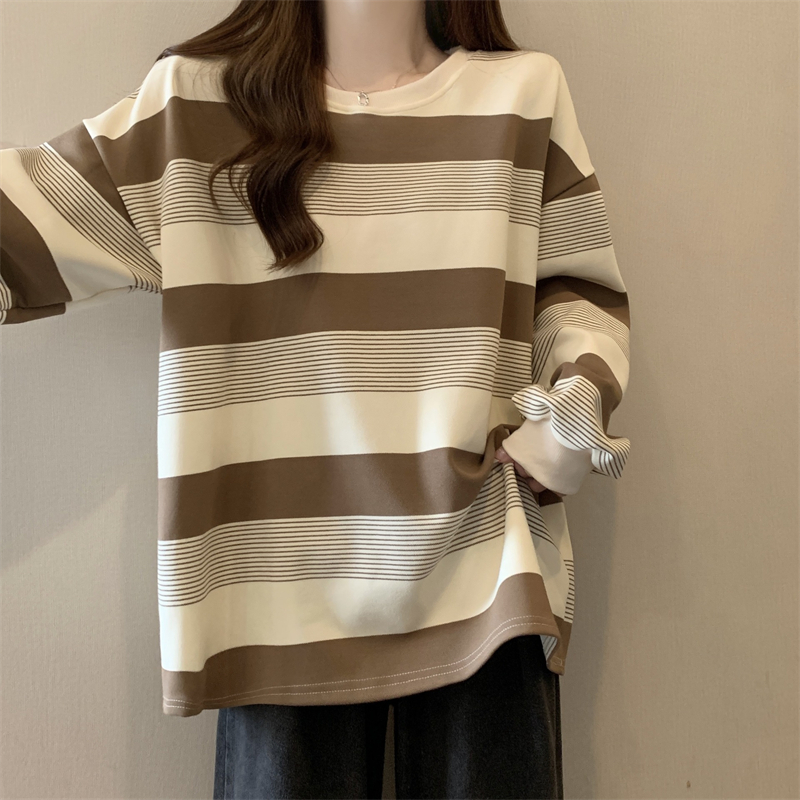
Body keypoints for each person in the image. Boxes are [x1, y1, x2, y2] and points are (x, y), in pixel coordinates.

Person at [1, 0, 632, 797]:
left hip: (485, 572)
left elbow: (577, 293)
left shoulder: (522, 95)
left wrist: (573, 414)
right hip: (274, 590)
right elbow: (24, 223)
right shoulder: (198, 109)